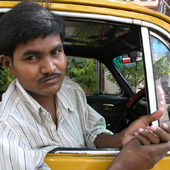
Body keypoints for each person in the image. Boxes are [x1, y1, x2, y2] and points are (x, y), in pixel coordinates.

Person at [0, 2, 169, 170]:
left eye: (56, 52)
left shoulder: (70, 90)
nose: (50, 68)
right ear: (8, 64)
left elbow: (92, 133)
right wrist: (124, 166)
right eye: (32, 58)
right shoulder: (7, 132)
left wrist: (123, 137)